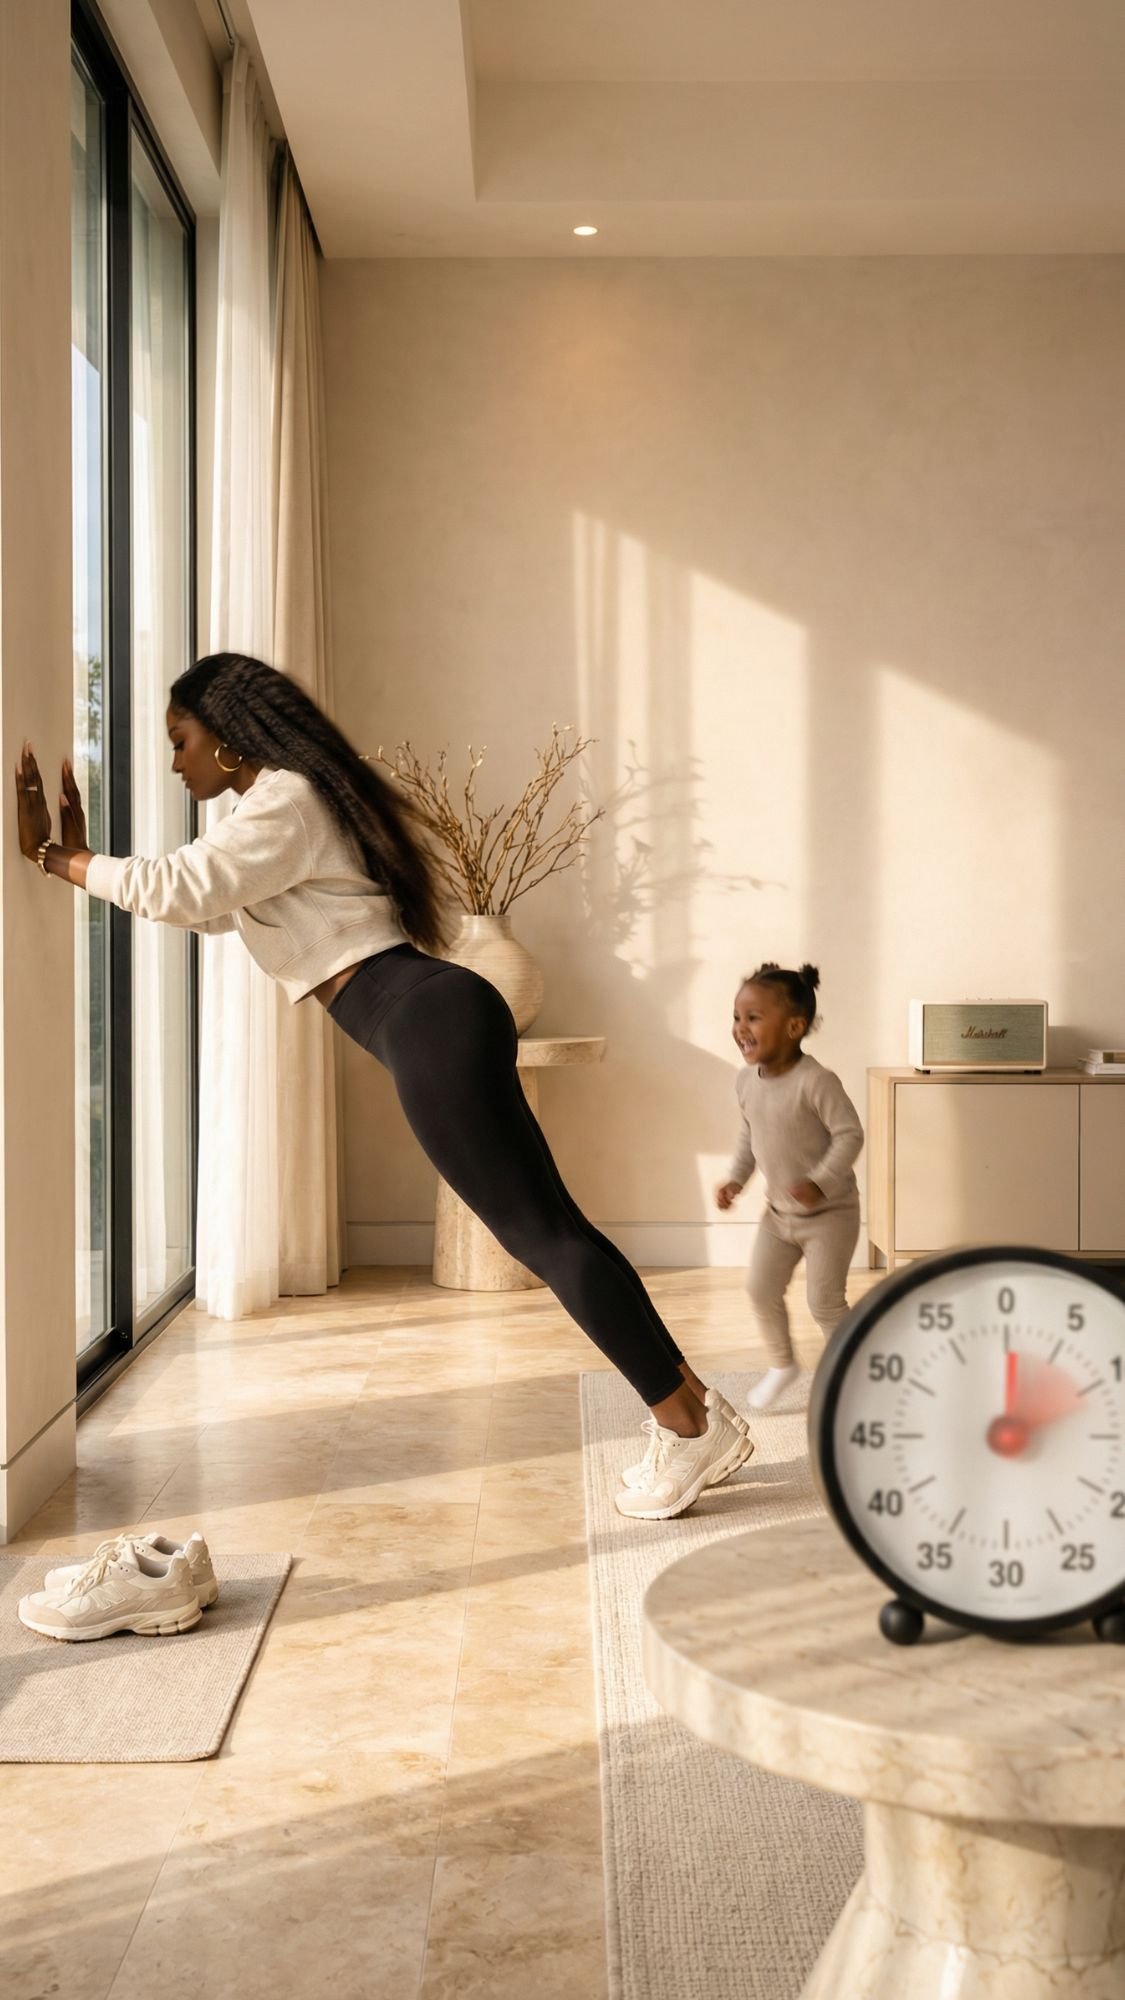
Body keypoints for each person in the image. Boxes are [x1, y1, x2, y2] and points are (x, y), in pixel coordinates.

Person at [15, 652, 753, 1520]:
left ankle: (688, 1426)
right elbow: (214, 903)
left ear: (226, 737)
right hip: (432, 1014)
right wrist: (76, 861)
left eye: (181, 741)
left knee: (543, 1240)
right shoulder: (277, 809)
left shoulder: (285, 797)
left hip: (425, 1021)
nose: (175, 763)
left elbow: (182, 888)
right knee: (555, 1230)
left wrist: (64, 858)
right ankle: (695, 1411)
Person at [716, 963, 863, 1409]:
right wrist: (736, 1178)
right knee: (760, 1289)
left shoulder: (816, 1082)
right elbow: (751, 1135)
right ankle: (783, 1366)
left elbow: (850, 1134)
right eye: (737, 1017)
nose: (740, 1028)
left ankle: (857, 1370)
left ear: (795, 1026)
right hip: (778, 1217)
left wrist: (820, 1181)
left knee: (824, 1303)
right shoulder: (746, 1081)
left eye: (754, 1017)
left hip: (829, 1217)